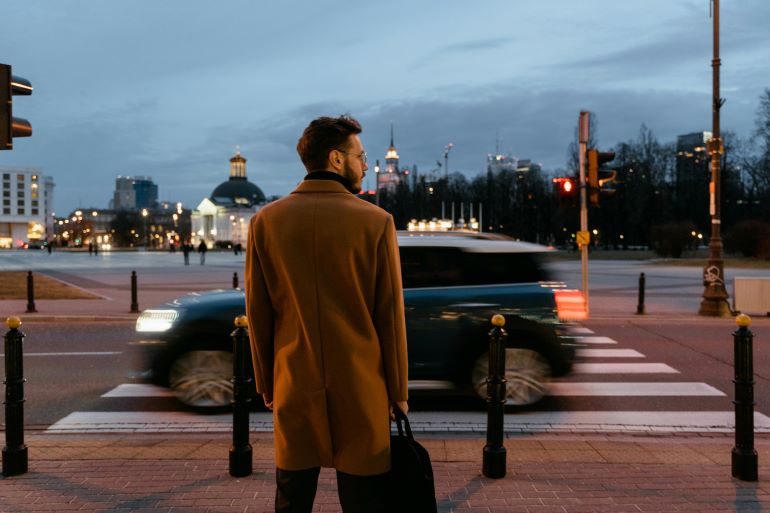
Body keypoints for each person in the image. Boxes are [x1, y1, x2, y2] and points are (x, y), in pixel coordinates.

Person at [245, 115, 408, 513]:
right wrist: (398, 392)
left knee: (292, 499)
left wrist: (267, 383)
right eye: (360, 155)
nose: (366, 164)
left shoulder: (266, 222)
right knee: (364, 501)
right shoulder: (376, 222)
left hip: (295, 382)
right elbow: (388, 316)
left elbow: (259, 313)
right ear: (337, 159)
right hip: (361, 386)